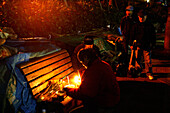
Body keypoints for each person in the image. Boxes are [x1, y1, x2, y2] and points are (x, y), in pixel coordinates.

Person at [65, 49, 120, 113]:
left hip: (104, 105)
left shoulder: (93, 70)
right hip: (112, 101)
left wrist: (68, 90)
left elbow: (85, 94)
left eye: (82, 62)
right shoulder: (103, 64)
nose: (83, 65)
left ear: (86, 58)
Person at [130, 9, 156, 80]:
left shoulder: (149, 26)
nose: (141, 18)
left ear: (146, 17)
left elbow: (153, 36)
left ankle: (149, 73)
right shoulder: (136, 25)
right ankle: (139, 71)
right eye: (140, 17)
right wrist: (131, 44)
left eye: (142, 17)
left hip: (147, 45)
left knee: (148, 61)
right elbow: (132, 35)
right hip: (138, 45)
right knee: (138, 60)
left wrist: (153, 44)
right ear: (138, 17)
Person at [120, 5, 136, 76]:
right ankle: (126, 66)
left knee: (133, 52)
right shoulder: (124, 19)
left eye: (130, 11)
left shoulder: (134, 19)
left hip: (132, 37)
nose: (128, 12)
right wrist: (123, 34)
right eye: (127, 11)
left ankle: (132, 66)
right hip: (126, 38)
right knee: (125, 52)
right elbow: (122, 27)